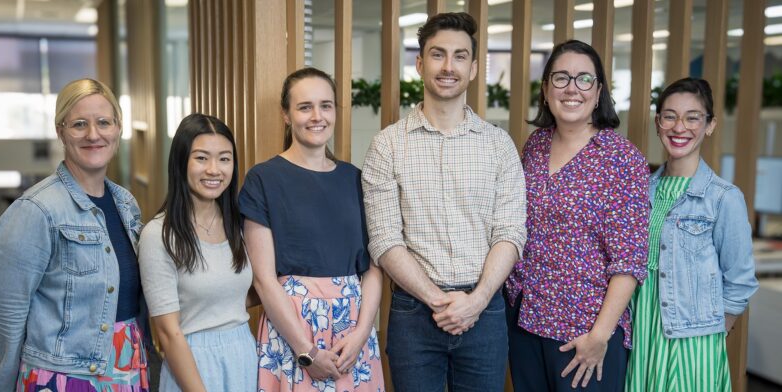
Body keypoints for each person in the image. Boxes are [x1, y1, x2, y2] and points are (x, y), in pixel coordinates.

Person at [362, 12, 527, 391]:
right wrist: (439, 301)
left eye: (459, 56)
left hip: (484, 310)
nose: (448, 66)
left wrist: (477, 299)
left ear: (472, 69)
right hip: (414, 313)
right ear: (420, 64)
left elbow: (510, 231)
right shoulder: (387, 146)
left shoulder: (498, 145)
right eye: (438, 55)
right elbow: (385, 239)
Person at [0, 78, 149, 391]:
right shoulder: (35, 210)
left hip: (126, 365)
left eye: (103, 123)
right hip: (61, 376)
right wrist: (23, 373)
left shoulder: (126, 204)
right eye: (79, 124)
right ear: (61, 132)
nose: (93, 134)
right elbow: (4, 307)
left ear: (118, 129)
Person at [505, 39, 650, 391]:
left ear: (598, 91)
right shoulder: (535, 145)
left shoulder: (622, 159)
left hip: (584, 333)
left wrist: (600, 336)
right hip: (524, 320)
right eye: (561, 78)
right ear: (545, 89)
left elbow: (629, 259)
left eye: (584, 79)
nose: (572, 88)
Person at [240, 67, 385, 392]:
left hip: (353, 336)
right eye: (305, 107)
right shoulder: (263, 180)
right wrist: (307, 351)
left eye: (325, 105)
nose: (317, 116)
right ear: (286, 115)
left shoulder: (355, 179)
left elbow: (374, 267)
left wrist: (362, 332)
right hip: (293, 333)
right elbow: (264, 279)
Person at [624, 77, 758, 391]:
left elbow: (739, 281)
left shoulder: (724, 198)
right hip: (640, 336)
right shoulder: (639, 191)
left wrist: (710, 337)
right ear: (658, 124)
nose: (679, 127)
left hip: (692, 343)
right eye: (669, 116)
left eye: (692, 117)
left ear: (709, 125)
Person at [138, 113, 257, 391]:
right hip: (192, 363)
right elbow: (168, 333)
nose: (214, 170)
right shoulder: (159, 235)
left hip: (243, 355)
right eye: (202, 158)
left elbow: (237, 292)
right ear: (181, 162)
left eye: (224, 159)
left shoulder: (240, 225)